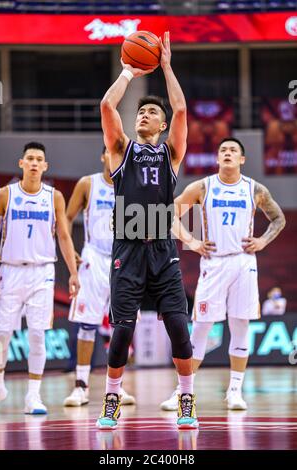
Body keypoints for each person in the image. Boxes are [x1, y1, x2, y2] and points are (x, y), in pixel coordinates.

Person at [96, 31, 197, 430]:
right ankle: (111, 401)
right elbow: (107, 105)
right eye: (140, 112)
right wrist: (127, 71)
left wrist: (167, 66)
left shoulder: (171, 152)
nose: (143, 115)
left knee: (178, 328)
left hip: (163, 250)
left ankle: (187, 399)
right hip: (128, 249)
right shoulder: (122, 150)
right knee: (121, 333)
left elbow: (183, 110)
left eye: (151, 113)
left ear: (162, 123)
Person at [161, 137, 286, 411]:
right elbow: (169, 213)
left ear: (242, 159)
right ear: (217, 159)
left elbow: (279, 218)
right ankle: (183, 392)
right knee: (202, 327)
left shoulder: (254, 189)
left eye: (233, 151)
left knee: (240, 325)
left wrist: (263, 241)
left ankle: (235, 391)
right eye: (223, 150)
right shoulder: (203, 187)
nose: (227, 153)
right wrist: (192, 242)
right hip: (214, 263)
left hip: (243, 263)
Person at [0, 142, 80, 414]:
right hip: (10, 270)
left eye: (39, 159)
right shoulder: (4, 195)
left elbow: (65, 237)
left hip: (43, 271)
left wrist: (73, 273)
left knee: (37, 335)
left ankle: (33, 397)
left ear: (45, 166)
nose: (34, 163)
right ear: (21, 163)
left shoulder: (54, 197)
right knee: (1, 334)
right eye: (30, 158)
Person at [63, 146, 135, 407]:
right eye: (110, 154)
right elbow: (67, 218)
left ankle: (117, 387)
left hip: (122, 260)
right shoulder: (88, 184)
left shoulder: (132, 186)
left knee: (121, 326)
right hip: (93, 256)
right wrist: (71, 250)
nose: (114, 158)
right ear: (104, 156)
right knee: (86, 322)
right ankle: (80, 385)